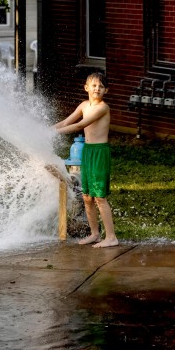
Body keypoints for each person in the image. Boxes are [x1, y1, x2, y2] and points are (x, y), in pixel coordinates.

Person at [54, 72, 119, 248]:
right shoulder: (84, 105)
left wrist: (53, 133)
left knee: (99, 197)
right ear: (86, 88)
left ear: (106, 90)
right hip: (88, 152)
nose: (97, 88)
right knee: (87, 197)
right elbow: (67, 122)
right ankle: (95, 234)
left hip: (99, 152)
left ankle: (111, 237)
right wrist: (46, 129)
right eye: (94, 85)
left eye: (101, 86)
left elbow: (80, 125)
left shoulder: (102, 108)